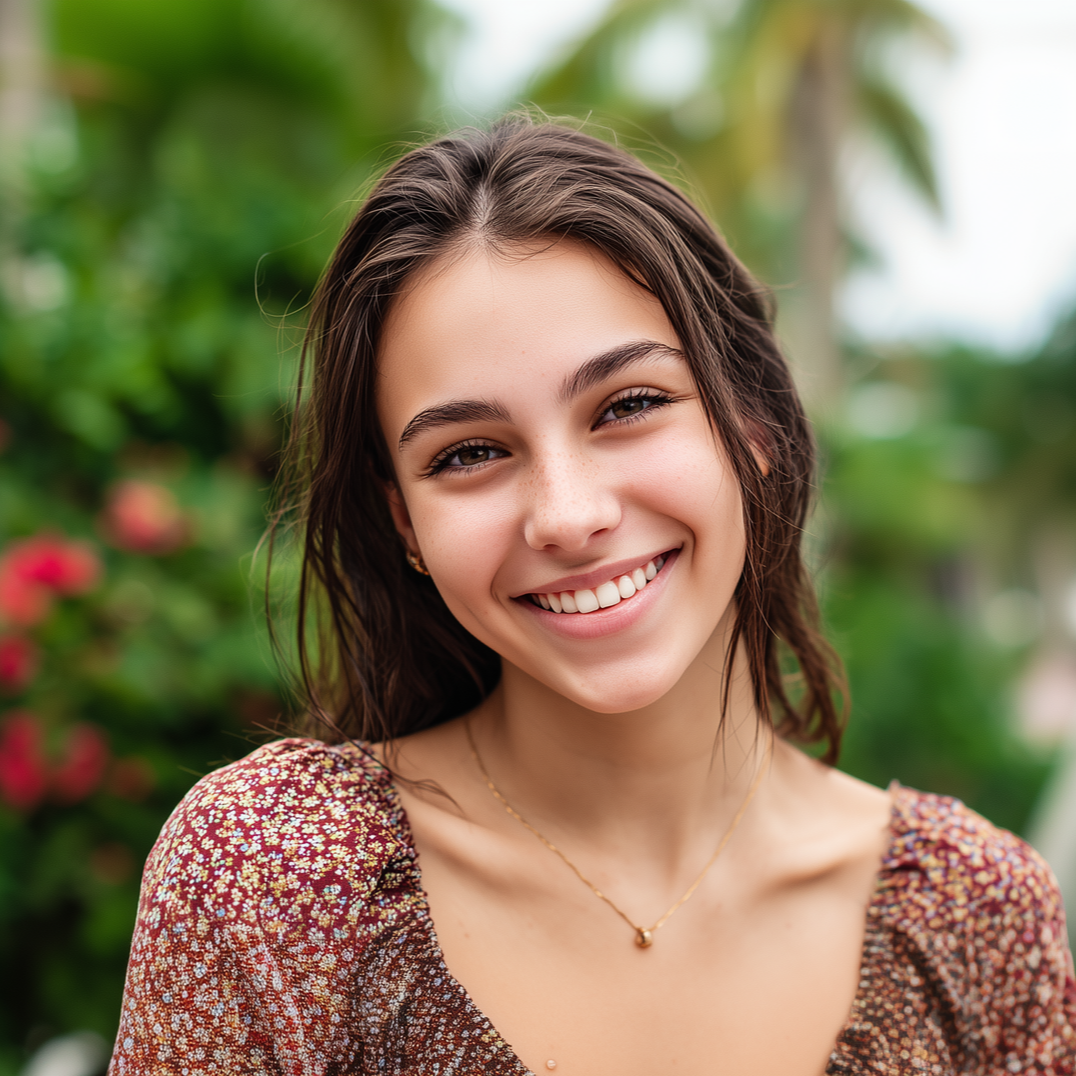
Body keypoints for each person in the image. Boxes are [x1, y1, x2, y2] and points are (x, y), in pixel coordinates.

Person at [108, 118, 1075, 1076]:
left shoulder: (976, 918)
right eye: (470, 454)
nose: (566, 518)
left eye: (628, 406)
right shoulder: (274, 882)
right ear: (406, 525)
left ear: (754, 424)